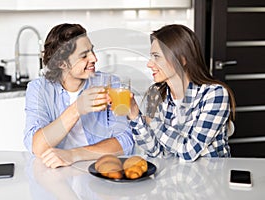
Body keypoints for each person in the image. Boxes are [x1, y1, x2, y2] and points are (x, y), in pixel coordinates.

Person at [24, 23, 134, 168]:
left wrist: (74, 155)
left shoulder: (109, 83)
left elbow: (126, 142)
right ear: (62, 63)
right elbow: (37, 147)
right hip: (56, 172)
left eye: (92, 51)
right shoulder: (39, 89)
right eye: (84, 56)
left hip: (99, 169)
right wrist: (77, 108)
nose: (94, 58)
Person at [127, 24, 236, 162]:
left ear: (182, 59)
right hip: (172, 177)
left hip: (210, 178)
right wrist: (134, 115)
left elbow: (189, 152)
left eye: (157, 57)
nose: (149, 64)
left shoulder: (214, 95)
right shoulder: (155, 95)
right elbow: (154, 151)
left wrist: (154, 123)